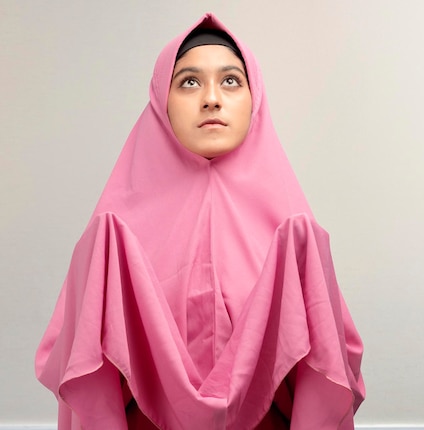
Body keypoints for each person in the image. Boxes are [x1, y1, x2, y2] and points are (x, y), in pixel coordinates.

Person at [35, 12, 365, 430]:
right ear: (161, 99)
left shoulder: (298, 236)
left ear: (254, 98)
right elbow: (86, 374)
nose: (212, 98)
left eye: (231, 80)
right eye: (189, 82)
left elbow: (327, 371)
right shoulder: (109, 238)